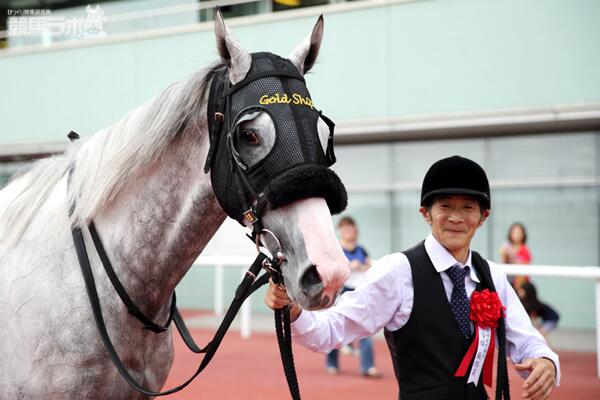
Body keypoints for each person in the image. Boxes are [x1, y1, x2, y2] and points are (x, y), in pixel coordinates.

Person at [265, 155, 560, 400]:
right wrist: (292, 310)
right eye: (445, 206)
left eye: (468, 207)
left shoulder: (492, 276)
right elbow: (331, 330)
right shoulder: (397, 272)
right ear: (425, 213)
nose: (456, 217)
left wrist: (546, 362)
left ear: (483, 217)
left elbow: (528, 342)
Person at [325, 216, 380, 378]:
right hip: (341, 293)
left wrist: (364, 266)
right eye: (347, 230)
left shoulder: (361, 250)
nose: (351, 233)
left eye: (353, 230)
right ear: (341, 231)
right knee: (336, 328)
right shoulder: (336, 250)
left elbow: (370, 265)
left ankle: (368, 367)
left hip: (359, 293)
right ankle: (332, 363)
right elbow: (330, 269)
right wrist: (349, 266)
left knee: (365, 328)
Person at [500, 222, 531, 289]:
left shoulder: (525, 250)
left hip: (521, 284)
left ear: (523, 235)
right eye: (514, 232)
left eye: (518, 232)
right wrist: (505, 255)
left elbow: (525, 268)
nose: (516, 234)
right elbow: (502, 265)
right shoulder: (507, 248)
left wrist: (513, 257)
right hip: (508, 282)